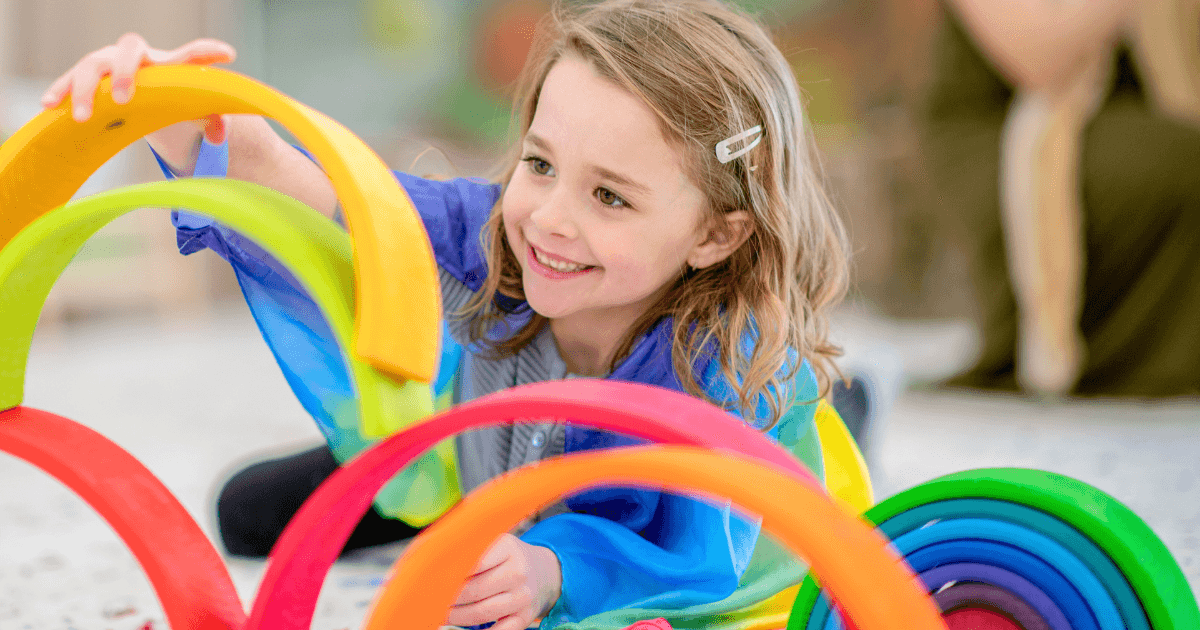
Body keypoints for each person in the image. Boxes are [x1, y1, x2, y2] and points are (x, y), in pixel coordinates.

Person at [43, 1, 850, 628]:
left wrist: (550, 572)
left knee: (795, 425)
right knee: (246, 513)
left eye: (609, 195)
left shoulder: (723, 368)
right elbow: (334, 206)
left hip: (642, 531)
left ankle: (851, 402)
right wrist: (189, 119)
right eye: (541, 164)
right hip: (482, 464)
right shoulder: (499, 230)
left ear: (715, 233)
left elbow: (688, 553)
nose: (549, 219)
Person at [919, 0, 1200, 397]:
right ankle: (1118, 362)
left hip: (1128, 120)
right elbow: (1041, 60)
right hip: (1008, 135)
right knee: (1187, 164)